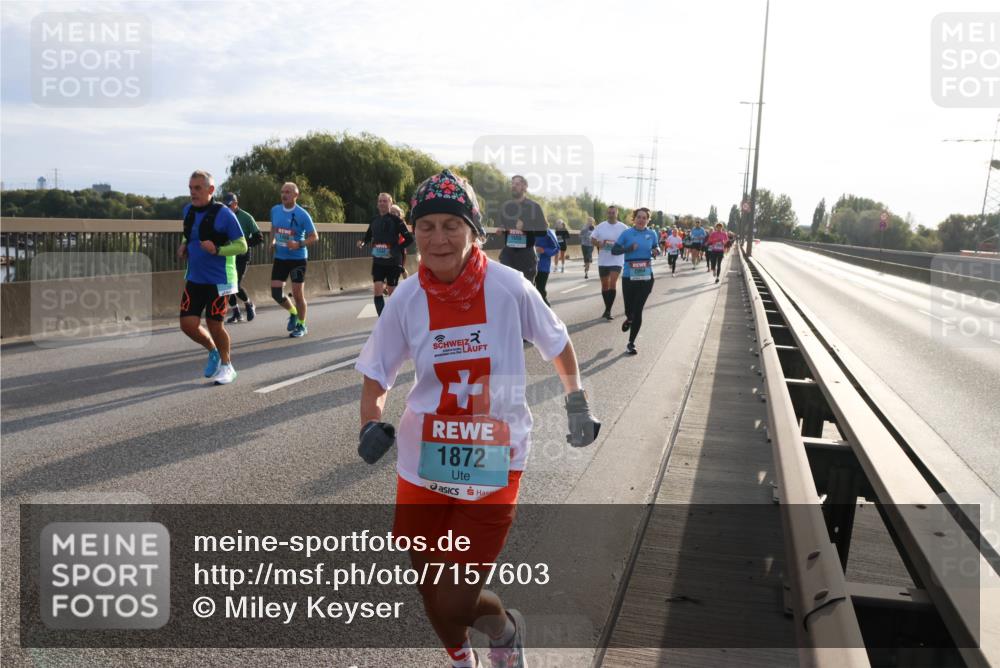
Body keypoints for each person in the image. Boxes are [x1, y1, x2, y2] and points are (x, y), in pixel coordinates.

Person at [355, 169, 600, 668]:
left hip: (494, 457)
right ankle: (461, 657)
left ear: (474, 231)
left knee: (455, 597)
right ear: (413, 232)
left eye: (452, 225)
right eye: (426, 226)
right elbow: (377, 375)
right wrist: (369, 422)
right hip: (422, 458)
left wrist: (577, 400)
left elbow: (557, 343)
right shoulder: (406, 298)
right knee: (428, 579)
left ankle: (505, 632)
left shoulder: (510, 286)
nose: (438, 238)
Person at [177, 170, 247, 385]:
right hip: (196, 277)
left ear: (210, 190)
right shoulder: (188, 210)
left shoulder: (224, 214)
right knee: (187, 324)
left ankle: (227, 366)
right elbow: (191, 233)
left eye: (197, 188)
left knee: (215, 324)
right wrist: (183, 245)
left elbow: (242, 245)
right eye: (190, 188)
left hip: (220, 279)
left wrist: (217, 249)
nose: (193, 193)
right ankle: (213, 350)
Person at [270, 182, 318, 338]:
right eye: (282, 191)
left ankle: (302, 325)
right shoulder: (275, 210)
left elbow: (314, 236)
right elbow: (273, 227)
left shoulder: (302, 214)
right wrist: (272, 242)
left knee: (297, 294)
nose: (284, 195)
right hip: (280, 257)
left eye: (288, 192)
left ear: (296, 195)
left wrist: (299, 244)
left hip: (297, 259)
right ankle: (293, 312)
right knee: (276, 293)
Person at [612, 208, 659, 355]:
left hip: (646, 276)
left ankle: (631, 343)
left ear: (648, 220)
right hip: (629, 276)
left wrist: (656, 250)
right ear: (634, 218)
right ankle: (629, 318)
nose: (641, 220)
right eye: (639, 217)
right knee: (629, 310)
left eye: (644, 218)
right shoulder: (627, 234)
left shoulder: (652, 234)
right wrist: (628, 248)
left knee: (638, 310)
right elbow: (614, 250)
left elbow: (656, 246)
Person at [358, 193, 414, 316]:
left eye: (385, 201)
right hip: (378, 260)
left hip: (393, 261)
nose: (382, 203)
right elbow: (367, 237)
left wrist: (396, 249)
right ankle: (382, 321)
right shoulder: (374, 220)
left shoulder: (396, 220)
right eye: (380, 201)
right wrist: (362, 243)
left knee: (392, 293)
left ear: (390, 203)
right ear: (377, 204)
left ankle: (397, 317)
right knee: (377, 291)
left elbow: (409, 239)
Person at [221, 192, 263, 323]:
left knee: (236, 285)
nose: (227, 208)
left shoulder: (246, 217)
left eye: (229, 206)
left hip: (242, 256)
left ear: (235, 204)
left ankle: (249, 304)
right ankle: (236, 313)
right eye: (225, 206)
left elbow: (259, 237)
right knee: (227, 286)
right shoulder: (222, 216)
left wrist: (243, 245)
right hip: (228, 255)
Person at [497, 174, 547, 282]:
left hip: (526, 257)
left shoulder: (534, 207)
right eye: (512, 184)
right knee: (508, 290)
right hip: (508, 255)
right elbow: (503, 224)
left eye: (517, 184)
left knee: (526, 292)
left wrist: (526, 228)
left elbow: (543, 230)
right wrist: (501, 229)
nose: (514, 186)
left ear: (524, 187)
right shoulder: (506, 207)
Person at [591, 205, 629, 320]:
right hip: (603, 260)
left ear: (617, 213)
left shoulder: (623, 227)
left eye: (613, 213)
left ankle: (608, 310)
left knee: (612, 283)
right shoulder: (601, 226)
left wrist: (623, 246)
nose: (611, 214)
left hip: (617, 260)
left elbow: (628, 240)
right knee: (604, 285)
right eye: (609, 213)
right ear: (607, 214)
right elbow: (592, 239)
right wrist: (599, 244)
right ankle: (607, 308)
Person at [533, 226, 560, 306]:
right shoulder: (525, 230)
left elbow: (556, 248)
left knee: (540, 290)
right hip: (527, 266)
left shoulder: (548, 232)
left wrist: (544, 250)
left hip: (542, 266)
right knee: (527, 291)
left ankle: (546, 311)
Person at [390, 203, 411, 279]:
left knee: (400, 268)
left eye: (394, 212)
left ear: (399, 214)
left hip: (400, 249)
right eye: (390, 212)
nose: (391, 214)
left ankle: (407, 282)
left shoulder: (401, 224)